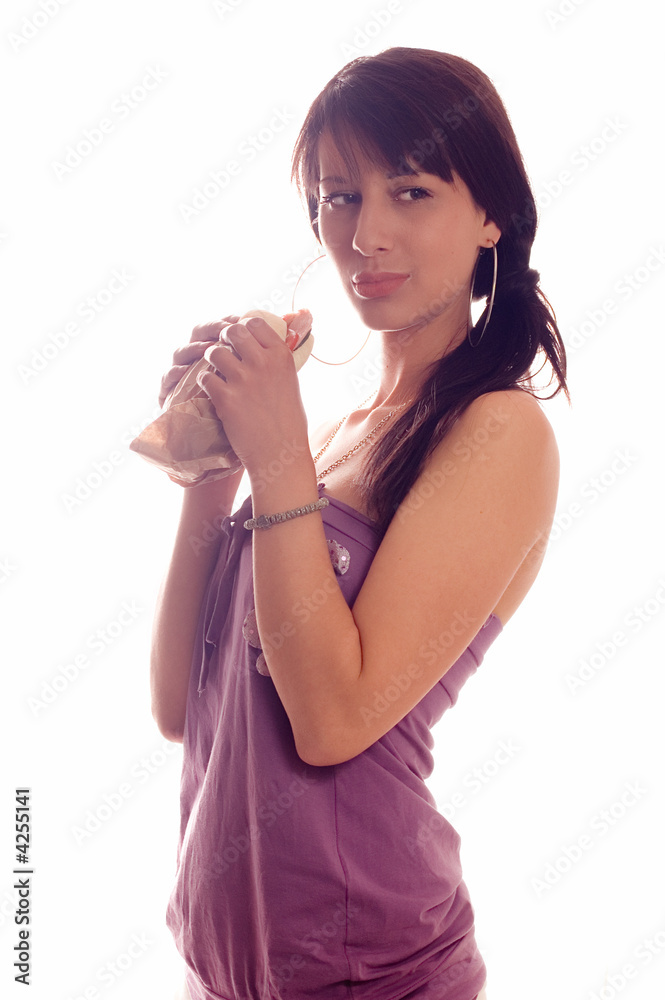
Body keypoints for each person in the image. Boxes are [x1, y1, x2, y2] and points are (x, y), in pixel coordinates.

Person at [151, 47, 568, 1000]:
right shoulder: (330, 437)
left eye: (410, 192)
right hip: (221, 970)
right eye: (338, 198)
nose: (364, 235)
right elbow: (180, 708)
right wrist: (211, 468)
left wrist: (275, 456)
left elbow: (331, 721)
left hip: (374, 973)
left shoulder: (497, 431)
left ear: (491, 214)